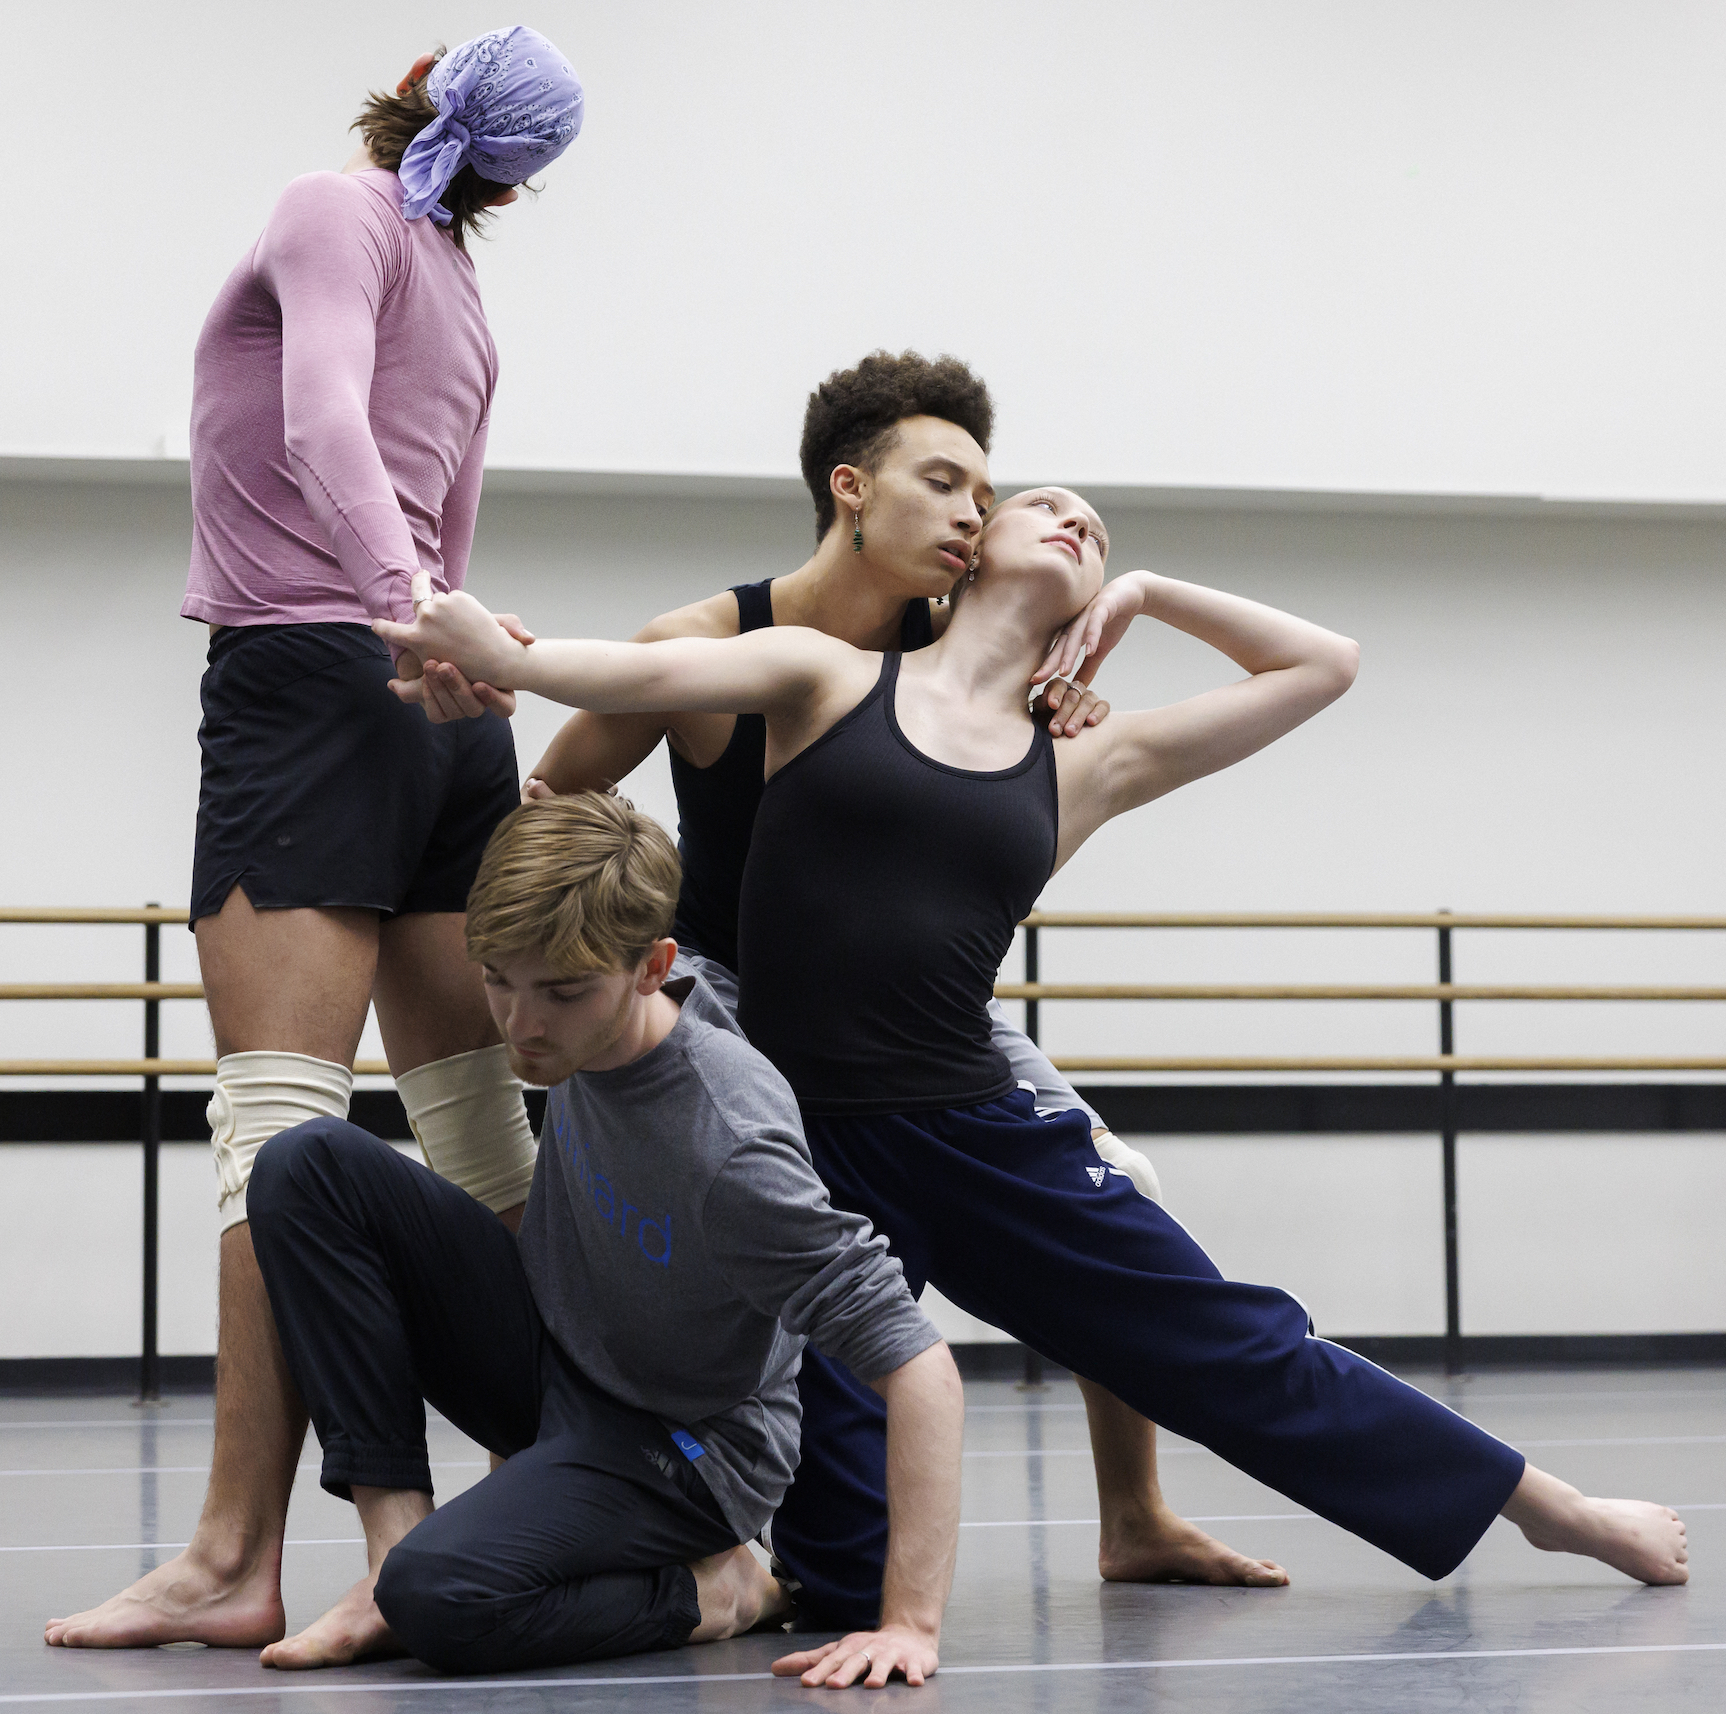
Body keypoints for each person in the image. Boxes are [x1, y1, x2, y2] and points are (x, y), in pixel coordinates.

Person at [375, 487, 1691, 1614]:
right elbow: (628, 675)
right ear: (968, 553)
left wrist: (1153, 589)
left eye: (1096, 526)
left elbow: (1322, 662)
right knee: (838, 1572)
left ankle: (1546, 1503)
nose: (1073, 517)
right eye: (1039, 502)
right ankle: (741, 1579)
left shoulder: (1083, 764)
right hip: (798, 1141)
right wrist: (498, 647)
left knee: (1230, 1347)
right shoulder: (824, 676)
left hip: (977, 1130)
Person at [418, 352, 1285, 1612]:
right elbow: (557, 799)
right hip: (716, 991)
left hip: (907, 1017)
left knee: (1125, 1181)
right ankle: (596, 1484)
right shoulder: (712, 642)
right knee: (664, 1241)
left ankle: (1135, 1512)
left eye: (983, 496)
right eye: (944, 485)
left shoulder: (971, 652)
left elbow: (1034, 778)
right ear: (850, 490)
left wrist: (1077, 699)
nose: (972, 518)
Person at [45, 29, 584, 1652]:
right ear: (516, 175)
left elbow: (320, 425)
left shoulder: (332, 205)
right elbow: (451, 500)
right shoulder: (471, 296)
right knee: (486, 1143)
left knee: (274, 1130)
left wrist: (405, 609)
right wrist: (448, 637)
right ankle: (550, 1486)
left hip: (315, 671)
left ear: (420, 79)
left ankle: (230, 1549)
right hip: (448, 702)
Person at [245, 793, 963, 1688]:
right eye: (499, 979)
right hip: (558, 1360)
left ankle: (724, 1591)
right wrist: (567, 817)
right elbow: (590, 877)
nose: (521, 1023)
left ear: (651, 970)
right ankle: (394, 1547)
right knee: (304, 1164)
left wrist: (910, 1624)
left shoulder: (732, 1146)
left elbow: (920, 1364)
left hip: (685, 1446)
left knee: (441, 1600)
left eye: (562, 992)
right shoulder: (591, 990)